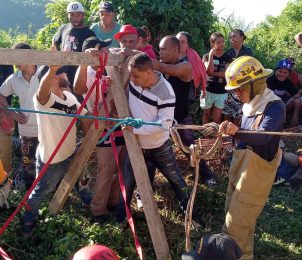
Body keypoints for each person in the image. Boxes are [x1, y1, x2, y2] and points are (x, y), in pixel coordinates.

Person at [121, 53, 202, 226]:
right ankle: (121, 218)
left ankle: (193, 217)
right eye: (131, 75)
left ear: (149, 72)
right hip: (135, 144)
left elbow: (162, 126)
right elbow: (124, 54)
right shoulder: (136, 76)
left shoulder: (166, 93)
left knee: (176, 181)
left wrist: (135, 128)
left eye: (135, 76)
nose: (132, 80)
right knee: (127, 184)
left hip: (159, 146)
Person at [219, 56, 285, 259]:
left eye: (240, 89)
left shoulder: (274, 106)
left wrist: (235, 132)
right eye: (235, 90)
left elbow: (264, 137)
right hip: (240, 168)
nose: (237, 94)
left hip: (256, 174)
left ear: (255, 84)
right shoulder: (249, 105)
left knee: (235, 225)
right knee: (239, 220)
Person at [21, 65, 89, 237]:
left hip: (71, 152)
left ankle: (91, 204)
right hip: (52, 159)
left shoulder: (69, 97)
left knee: (83, 182)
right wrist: (51, 70)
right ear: (54, 78)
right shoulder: (44, 100)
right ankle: (28, 220)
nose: (67, 73)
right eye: (63, 72)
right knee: (41, 191)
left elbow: (86, 115)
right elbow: (42, 93)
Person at [153, 36, 217, 186]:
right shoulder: (159, 68)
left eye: (163, 49)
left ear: (175, 50)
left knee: (190, 148)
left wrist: (149, 62)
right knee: (153, 150)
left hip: (180, 118)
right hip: (160, 119)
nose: (160, 52)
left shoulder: (185, 66)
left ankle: (206, 175)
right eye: (159, 49)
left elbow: (166, 68)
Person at [74, 36, 123, 224]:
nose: (106, 52)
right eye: (101, 49)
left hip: (118, 121)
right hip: (101, 125)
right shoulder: (86, 71)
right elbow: (79, 89)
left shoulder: (110, 65)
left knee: (119, 166)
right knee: (105, 167)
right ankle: (98, 210)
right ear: (92, 51)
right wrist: (85, 63)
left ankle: (113, 201)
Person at [0, 43, 41, 189]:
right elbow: (1, 95)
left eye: (18, 58)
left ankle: (46, 190)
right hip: (27, 131)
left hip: (47, 129)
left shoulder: (44, 72)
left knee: (49, 162)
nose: (15, 63)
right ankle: (30, 193)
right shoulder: (14, 78)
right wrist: (12, 113)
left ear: (28, 56)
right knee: (28, 165)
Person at [52, 1, 96, 92]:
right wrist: (56, 56)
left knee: (78, 101)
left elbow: (92, 52)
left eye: (78, 15)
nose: (75, 18)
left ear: (83, 15)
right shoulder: (64, 28)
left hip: (78, 74)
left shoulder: (89, 33)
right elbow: (55, 40)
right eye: (72, 15)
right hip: (62, 73)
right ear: (67, 15)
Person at [223, 29, 253, 125]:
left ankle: (236, 135)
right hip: (230, 86)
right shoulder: (228, 52)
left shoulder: (248, 51)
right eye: (231, 37)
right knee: (227, 111)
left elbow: (249, 68)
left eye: (234, 36)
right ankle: (226, 134)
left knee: (240, 113)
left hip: (243, 86)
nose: (232, 39)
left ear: (242, 38)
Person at [202, 32, 232, 124]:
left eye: (223, 41)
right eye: (219, 42)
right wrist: (211, 55)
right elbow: (208, 71)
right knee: (206, 115)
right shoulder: (206, 56)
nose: (222, 44)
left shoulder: (227, 57)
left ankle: (216, 138)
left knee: (217, 119)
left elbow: (226, 74)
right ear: (212, 43)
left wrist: (212, 73)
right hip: (208, 90)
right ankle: (205, 136)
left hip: (221, 91)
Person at [267, 59, 302, 126]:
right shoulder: (269, 80)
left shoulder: (288, 83)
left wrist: (295, 116)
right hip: (267, 105)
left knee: (295, 100)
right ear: (275, 71)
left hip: (281, 106)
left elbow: (298, 97)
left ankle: (289, 120)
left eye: (285, 72)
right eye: (280, 71)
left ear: (289, 74)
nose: (282, 74)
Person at [176, 31, 207, 103]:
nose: (179, 44)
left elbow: (200, 73)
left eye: (182, 42)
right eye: (177, 41)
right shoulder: (169, 53)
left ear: (187, 44)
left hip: (186, 92)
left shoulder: (193, 56)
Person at [0, 65, 15, 174]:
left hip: (3, 110)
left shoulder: (5, 62)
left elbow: (7, 91)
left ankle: (5, 182)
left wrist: (7, 110)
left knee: (4, 149)